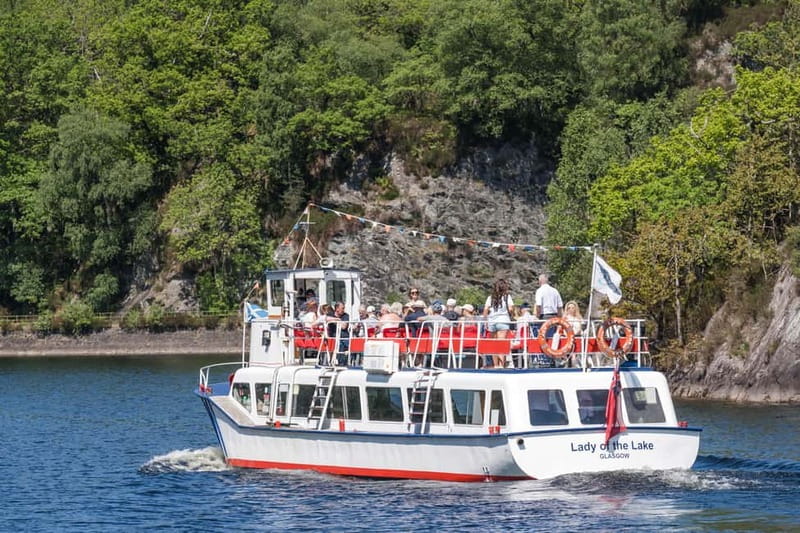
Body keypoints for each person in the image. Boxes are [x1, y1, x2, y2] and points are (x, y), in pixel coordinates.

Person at [483, 278, 514, 368]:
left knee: (494, 344)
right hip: (503, 321)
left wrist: (485, 320)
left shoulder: (490, 297)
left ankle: (495, 365)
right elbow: (511, 308)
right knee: (501, 344)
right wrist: (510, 315)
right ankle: (501, 365)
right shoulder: (507, 296)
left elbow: (485, 310)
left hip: (492, 321)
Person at [534, 274, 563, 339]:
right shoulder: (555, 291)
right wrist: (559, 317)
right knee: (553, 337)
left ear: (540, 281)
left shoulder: (539, 291)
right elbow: (560, 306)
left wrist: (537, 317)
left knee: (544, 337)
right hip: (555, 316)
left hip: (544, 317)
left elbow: (538, 305)